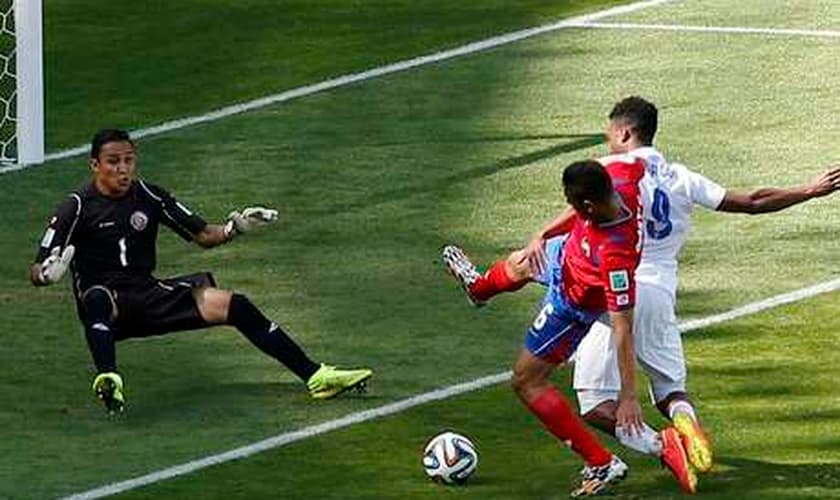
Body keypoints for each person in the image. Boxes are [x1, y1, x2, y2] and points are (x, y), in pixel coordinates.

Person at [443, 96, 840, 492]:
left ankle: (651, 448)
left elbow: (620, 321)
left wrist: (630, 396)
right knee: (669, 390)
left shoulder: (620, 177)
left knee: (592, 402)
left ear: (624, 133)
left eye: (608, 135)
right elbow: (751, 201)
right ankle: (684, 420)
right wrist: (809, 190)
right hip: (658, 289)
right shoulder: (670, 176)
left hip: (606, 287)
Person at [30, 129, 373, 415]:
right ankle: (108, 378)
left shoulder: (150, 195)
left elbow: (202, 235)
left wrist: (233, 229)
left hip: (149, 295)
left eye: (128, 160)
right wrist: (48, 274)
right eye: (113, 162)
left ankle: (316, 376)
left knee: (235, 305)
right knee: (97, 299)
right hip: (107, 305)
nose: (123, 169)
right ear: (95, 165)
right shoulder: (74, 207)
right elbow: (37, 268)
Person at [505, 156, 648, 497]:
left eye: (571, 203)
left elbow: (623, 329)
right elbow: (637, 161)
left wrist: (628, 396)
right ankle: (478, 288)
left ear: (586, 206)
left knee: (526, 380)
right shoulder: (622, 179)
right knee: (521, 259)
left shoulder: (615, 258)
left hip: (573, 301)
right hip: (568, 256)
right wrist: (543, 233)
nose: (568, 207)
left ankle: (601, 462)